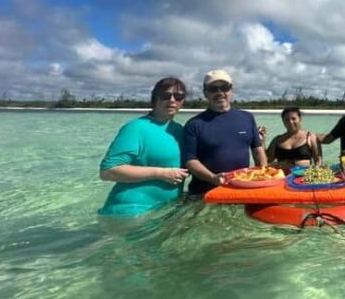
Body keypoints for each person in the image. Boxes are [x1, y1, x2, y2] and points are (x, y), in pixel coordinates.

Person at [98, 77, 189, 216]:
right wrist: (161, 173)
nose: (172, 100)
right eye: (165, 95)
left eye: (178, 96)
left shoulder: (178, 130)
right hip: (130, 211)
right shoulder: (136, 128)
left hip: (163, 210)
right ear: (154, 99)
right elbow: (107, 171)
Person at [183, 69, 267, 195]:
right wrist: (213, 178)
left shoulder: (247, 118)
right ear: (205, 93)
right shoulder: (194, 124)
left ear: (231, 90)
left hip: (241, 190)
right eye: (213, 89)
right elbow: (190, 161)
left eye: (224, 87)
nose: (220, 92)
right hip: (204, 193)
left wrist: (264, 175)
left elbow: (258, 150)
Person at [266, 107, 321, 171]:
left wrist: (315, 174)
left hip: (303, 177)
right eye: (287, 120)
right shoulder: (277, 140)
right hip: (282, 177)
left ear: (300, 119)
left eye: (293, 119)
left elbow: (318, 161)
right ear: (283, 121)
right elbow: (267, 160)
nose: (290, 122)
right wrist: (262, 141)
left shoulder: (310, 137)